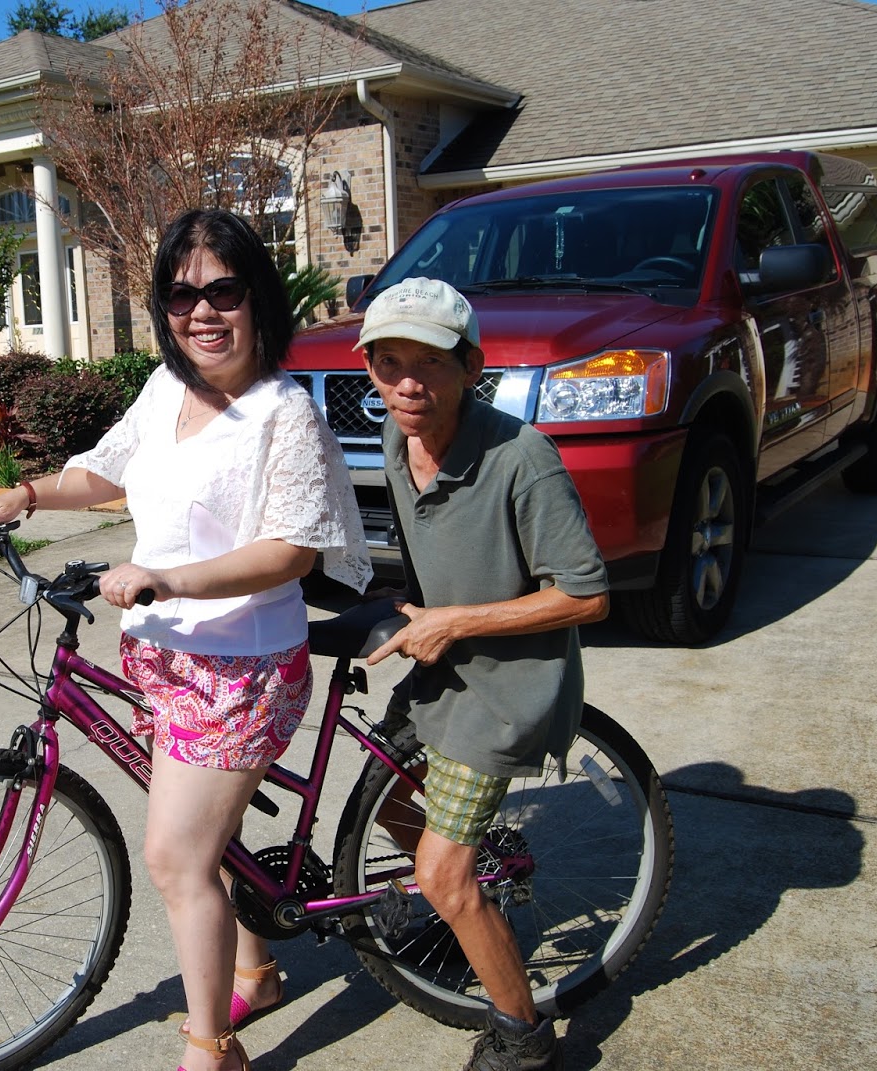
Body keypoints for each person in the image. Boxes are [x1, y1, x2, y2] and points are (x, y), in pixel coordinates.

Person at [0, 208, 369, 1071]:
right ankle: (254, 973)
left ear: (259, 299)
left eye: (224, 290)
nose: (203, 312)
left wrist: (168, 578)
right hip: (160, 652)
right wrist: (24, 495)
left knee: (177, 854)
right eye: (182, 296)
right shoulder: (164, 388)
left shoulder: (283, 412)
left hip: (243, 667)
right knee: (208, 837)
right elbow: (102, 470)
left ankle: (212, 1048)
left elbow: (291, 550)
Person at [355, 278, 610, 1071]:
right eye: (388, 362)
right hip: (440, 665)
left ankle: (524, 1036)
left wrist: (455, 620)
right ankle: (463, 905)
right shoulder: (397, 437)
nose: (407, 384)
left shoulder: (522, 458)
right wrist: (417, 608)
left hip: (505, 688)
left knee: (440, 871)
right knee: (385, 803)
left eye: (429, 363)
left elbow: (587, 594)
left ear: (472, 366)